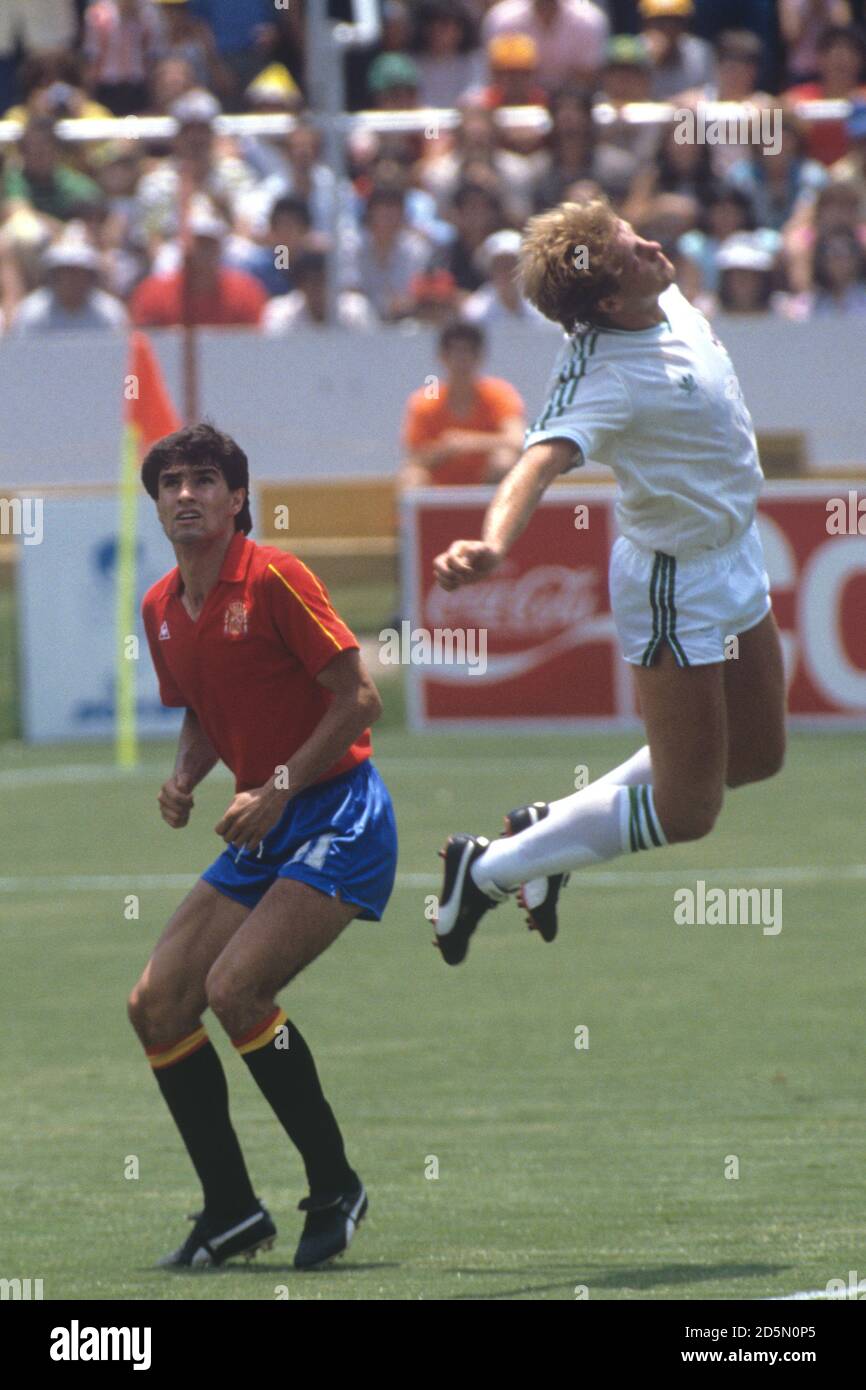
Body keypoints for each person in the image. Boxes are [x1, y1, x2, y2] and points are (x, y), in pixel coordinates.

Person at [429, 198, 785, 963]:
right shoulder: (600, 373)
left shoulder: (663, 295)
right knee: (691, 811)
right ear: (608, 302)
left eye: (633, 234)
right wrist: (492, 545)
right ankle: (485, 870)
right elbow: (538, 459)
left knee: (757, 754)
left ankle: (548, 829)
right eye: (633, 252)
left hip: (736, 554)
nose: (654, 246)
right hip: (675, 583)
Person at [130, 422, 398, 1268]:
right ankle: (232, 1210)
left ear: (237, 497)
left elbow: (358, 700)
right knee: (159, 1002)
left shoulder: (277, 577)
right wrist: (184, 776)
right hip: (267, 823)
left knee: (237, 988)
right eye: (171, 483)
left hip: (337, 812)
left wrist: (275, 786)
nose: (185, 495)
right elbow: (205, 706)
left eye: (204, 480)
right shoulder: (162, 607)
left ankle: (334, 1184)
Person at [399, 320, 525, 489]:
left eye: (468, 352)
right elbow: (413, 458)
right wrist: (444, 449)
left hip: (488, 486)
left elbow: (518, 440)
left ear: (480, 357)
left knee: (505, 460)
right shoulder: (425, 400)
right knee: (412, 476)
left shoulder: (499, 393)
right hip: (440, 489)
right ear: (442, 357)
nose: (461, 360)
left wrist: (469, 442)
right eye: (455, 352)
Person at [129, 204, 267, 326]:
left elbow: (256, 346)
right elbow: (144, 344)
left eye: (208, 245)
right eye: (197, 244)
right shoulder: (154, 293)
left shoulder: (245, 292)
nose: (202, 253)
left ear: (219, 248)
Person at [10, 231, 128, 332]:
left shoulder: (109, 313)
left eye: (78, 272)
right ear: (53, 275)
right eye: (65, 272)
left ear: (90, 276)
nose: (72, 279)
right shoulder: (32, 312)